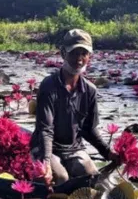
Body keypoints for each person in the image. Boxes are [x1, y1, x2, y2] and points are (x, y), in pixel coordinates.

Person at [30, 28, 119, 186]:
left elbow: (89, 129)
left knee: (93, 178)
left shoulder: (90, 90)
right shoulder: (49, 86)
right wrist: (46, 163)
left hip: (73, 148)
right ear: (63, 53)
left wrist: (108, 152)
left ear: (89, 56)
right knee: (62, 179)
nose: (79, 59)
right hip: (45, 148)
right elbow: (46, 129)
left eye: (83, 54)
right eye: (74, 53)